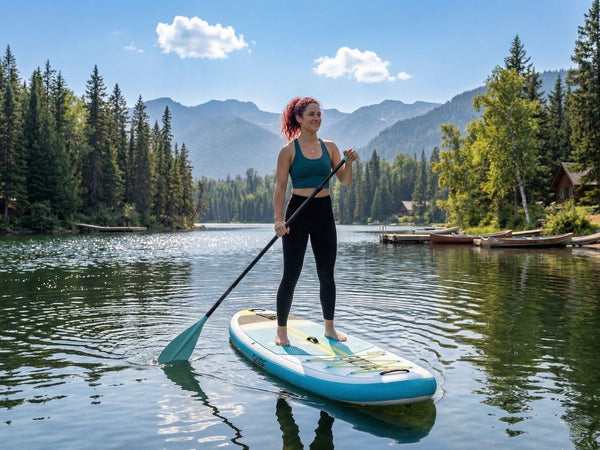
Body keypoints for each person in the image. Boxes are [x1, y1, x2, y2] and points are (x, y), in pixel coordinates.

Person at [273, 97, 358, 346]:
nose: (317, 118)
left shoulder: (330, 147)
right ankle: (281, 330)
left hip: (323, 212)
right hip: (297, 213)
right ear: (299, 118)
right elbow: (280, 188)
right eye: (311, 114)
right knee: (291, 275)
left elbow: (345, 181)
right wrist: (279, 220)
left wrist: (349, 163)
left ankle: (329, 328)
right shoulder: (288, 151)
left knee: (326, 274)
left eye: (319, 114)